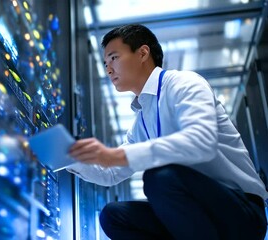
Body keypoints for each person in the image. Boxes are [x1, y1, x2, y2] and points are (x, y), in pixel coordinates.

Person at [67, 24, 268, 239]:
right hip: (196, 216)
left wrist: (115, 155)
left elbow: (201, 142)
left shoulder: (184, 84)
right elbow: (111, 173)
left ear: (143, 53)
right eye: (105, 63)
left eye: (114, 58)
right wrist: (66, 157)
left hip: (240, 211)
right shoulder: (141, 120)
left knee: (159, 177)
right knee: (113, 215)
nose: (108, 70)